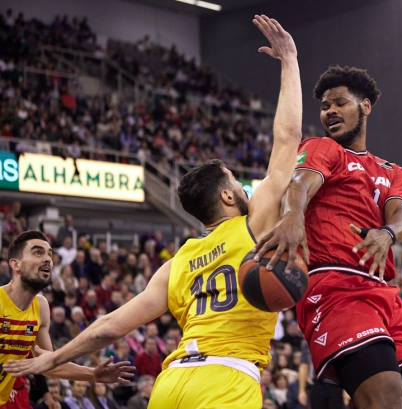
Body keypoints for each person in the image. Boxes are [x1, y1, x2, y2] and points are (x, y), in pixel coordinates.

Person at [5, 15, 303, 409]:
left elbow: (108, 327)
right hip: (227, 378)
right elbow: (287, 138)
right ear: (229, 198)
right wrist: (290, 60)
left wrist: (54, 357)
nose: (242, 188)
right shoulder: (254, 226)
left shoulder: (176, 264)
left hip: (170, 383)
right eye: (234, 183)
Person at [253, 65, 402, 409]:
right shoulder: (323, 148)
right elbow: (299, 185)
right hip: (335, 288)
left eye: (340, 103)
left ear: (365, 106)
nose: (330, 112)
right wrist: (293, 216)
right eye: (326, 107)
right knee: (388, 400)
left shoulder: (394, 172)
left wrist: (387, 234)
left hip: (384, 294)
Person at [0, 231, 132, 406]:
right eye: (38, 252)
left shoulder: (41, 307)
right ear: (15, 264)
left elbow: (49, 363)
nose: (47, 259)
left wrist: (93, 374)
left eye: (49, 254)